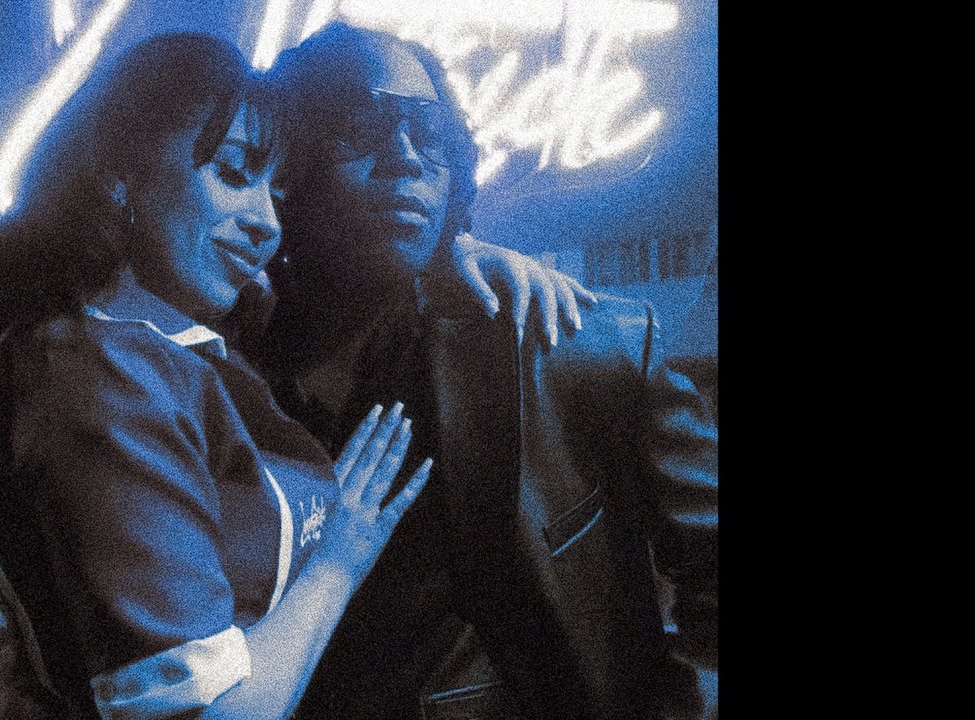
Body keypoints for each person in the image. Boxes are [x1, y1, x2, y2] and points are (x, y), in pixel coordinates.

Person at [0, 32, 590, 720]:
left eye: (275, 190)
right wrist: (340, 559)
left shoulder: (172, 344)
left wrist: (449, 249)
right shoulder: (103, 372)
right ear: (119, 172)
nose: (265, 223)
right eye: (233, 174)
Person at [255, 22, 719, 720]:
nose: (406, 157)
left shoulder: (578, 346)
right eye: (361, 128)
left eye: (431, 134)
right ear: (285, 163)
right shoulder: (211, 363)